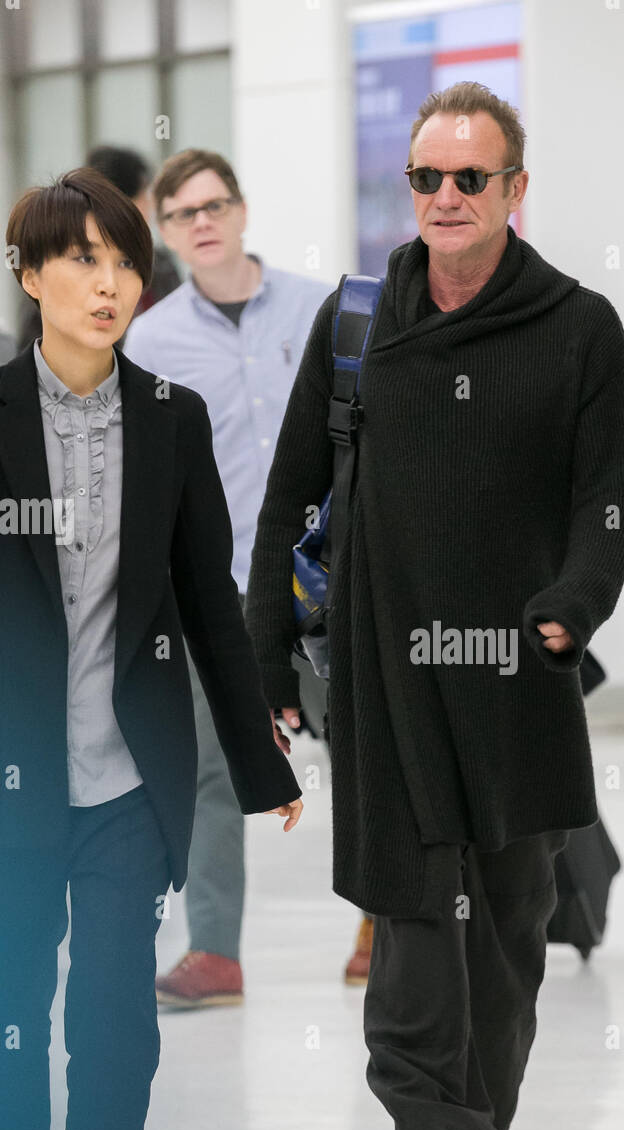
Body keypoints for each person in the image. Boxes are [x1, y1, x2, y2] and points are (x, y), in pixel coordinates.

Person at [246, 81, 624, 1130]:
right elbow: (287, 495)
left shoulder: (578, 325)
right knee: (416, 911)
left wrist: (570, 608)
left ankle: (476, 1124)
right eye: (428, 177)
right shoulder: (359, 321)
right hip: (385, 669)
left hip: (519, 671)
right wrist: (268, 644)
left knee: (510, 918)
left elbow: (606, 501)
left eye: (473, 177)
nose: (448, 196)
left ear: (515, 190)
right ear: (408, 188)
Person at [0, 168, 303, 1130]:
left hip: (129, 784)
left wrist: (262, 755)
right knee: (11, 1025)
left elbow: (207, 605)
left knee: (117, 1028)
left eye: (126, 260)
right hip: (12, 784)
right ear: (29, 276)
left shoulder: (170, 422)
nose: (108, 281)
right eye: (78, 257)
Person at [125, 149, 332, 1009]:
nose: (202, 223)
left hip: (324, 580)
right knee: (210, 769)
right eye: (183, 214)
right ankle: (214, 954)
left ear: (242, 211)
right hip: (214, 589)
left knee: (364, 756)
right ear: (166, 233)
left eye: (215, 205)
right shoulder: (151, 338)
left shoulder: (320, 308)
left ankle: (383, 926)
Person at [16, 145, 181, 352]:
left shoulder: (161, 265)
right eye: (86, 260)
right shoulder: (51, 266)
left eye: (126, 264)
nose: (109, 285)